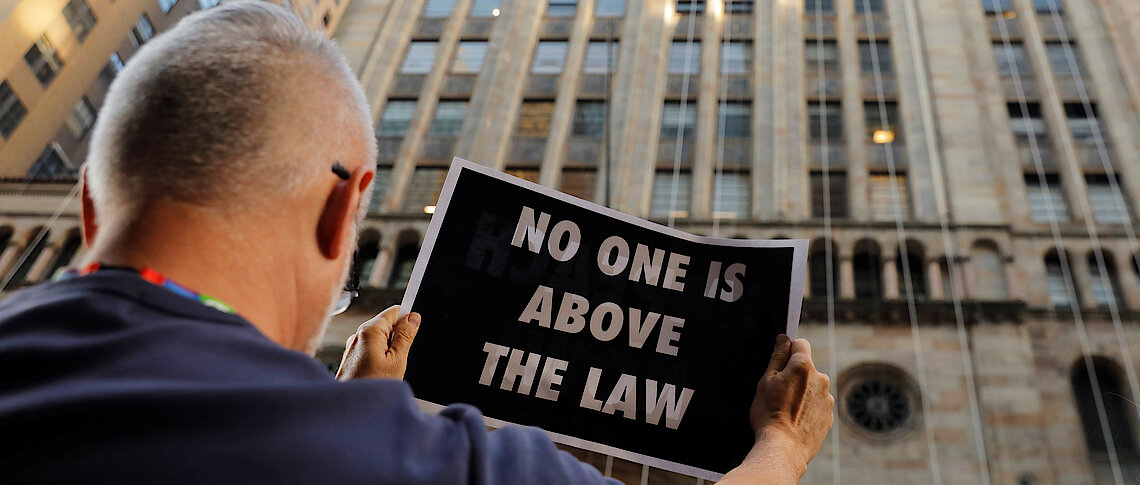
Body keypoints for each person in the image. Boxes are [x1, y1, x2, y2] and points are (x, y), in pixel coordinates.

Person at [0, 2, 833, 483]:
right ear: (343, 209)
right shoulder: (414, 460)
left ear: (86, 204)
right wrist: (784, 446)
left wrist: (345, 401)